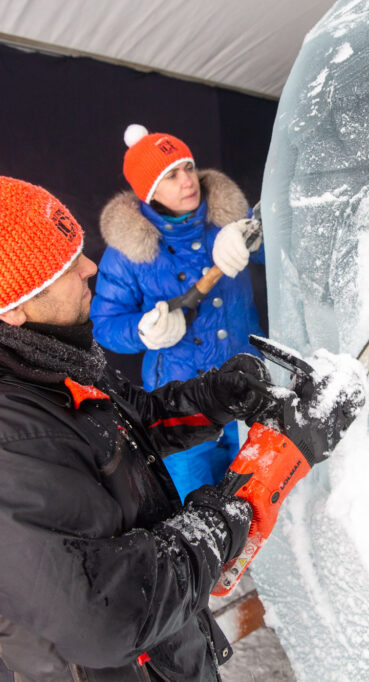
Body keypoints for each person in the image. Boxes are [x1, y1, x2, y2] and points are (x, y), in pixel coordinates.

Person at [0, 148, 277, 681]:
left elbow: (133, 427)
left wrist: (223, 395)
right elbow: (113, 613)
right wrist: (226, 517)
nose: (91, 267)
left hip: (169, 660)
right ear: (11, 307)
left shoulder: (46, 360)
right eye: (68, 267)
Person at [90, 125, 264, 500]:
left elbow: (285, 246)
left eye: (188, 167)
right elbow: (104, 325)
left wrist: (252, 232)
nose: (187, 180)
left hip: (250, 389)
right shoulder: (125, 254)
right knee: (195, 505)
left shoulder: (230, 221)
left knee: (260, 500)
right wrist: (142, 329)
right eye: (171, 175)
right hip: (181, 409)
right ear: (150, 191)